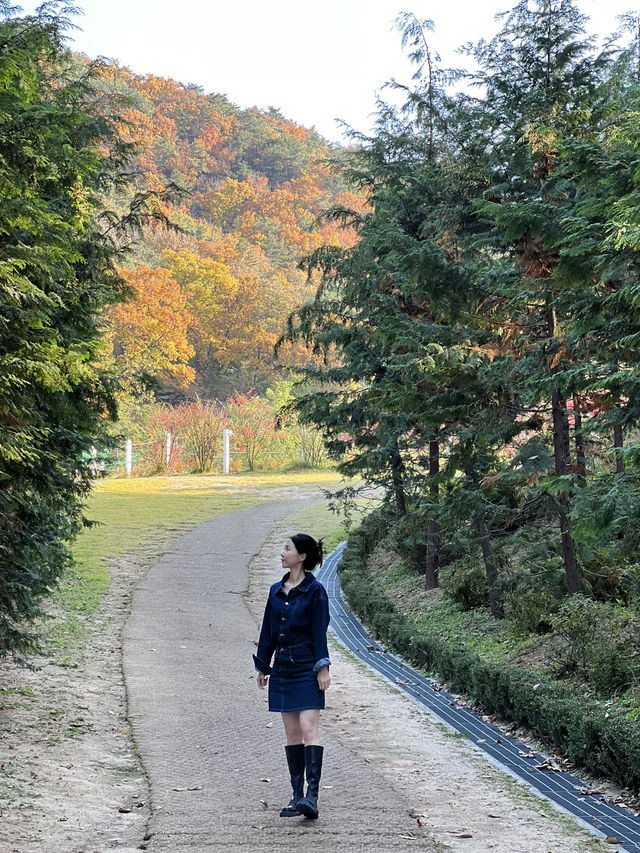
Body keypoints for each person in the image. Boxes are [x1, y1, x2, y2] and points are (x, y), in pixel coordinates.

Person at [253, 533, 330, 820]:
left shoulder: (315, 591)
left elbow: (319, 630)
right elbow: (267, 632)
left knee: (310, 729)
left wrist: (323, 667)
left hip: (307, 667)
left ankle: (312, 796)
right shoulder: (275, 590)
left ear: (302, 557)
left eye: (287, 548)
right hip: (283, 668)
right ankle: (296, 795)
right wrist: (263, 666)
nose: (282, 553)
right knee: (292, 734)